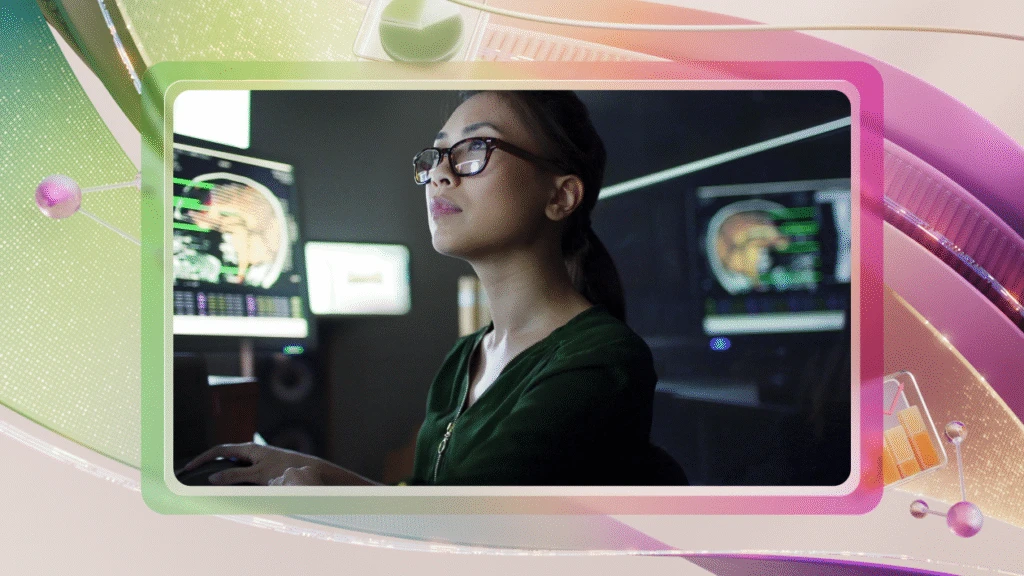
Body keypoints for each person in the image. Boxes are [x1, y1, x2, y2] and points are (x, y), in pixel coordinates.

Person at [180, 90, 687, 486]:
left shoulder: (602, 360)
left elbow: (471, 534)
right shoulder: (464, 359)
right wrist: (308, 467)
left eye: (475, 149)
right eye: (436, 155)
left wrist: (325, 494)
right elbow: (431, 495)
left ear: (560, 195)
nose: (438, 175)